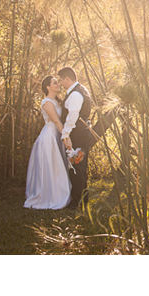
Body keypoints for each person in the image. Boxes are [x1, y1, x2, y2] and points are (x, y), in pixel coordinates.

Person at [24, 75, 72, 209]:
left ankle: (59, 192)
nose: (58, 85)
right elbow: (56, 121)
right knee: (52, 166)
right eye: (55, 83)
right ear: (48, 87)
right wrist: (66, 136)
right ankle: (50, 195)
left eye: (58, 82)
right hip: (49, 137)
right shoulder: (46, 102)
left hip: (57, 134)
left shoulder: (57, 101)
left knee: (57, 166)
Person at [58, 66, 93, 209]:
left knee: (76, 165)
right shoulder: (81, 89)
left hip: (77, 133)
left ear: (67, 78)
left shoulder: (75, 94)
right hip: (82, 132)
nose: (60, 83)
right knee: (80, 165)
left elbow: (73, 115)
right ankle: (83, 199)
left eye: (61, 80)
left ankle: (77, 200)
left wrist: (65, 134)